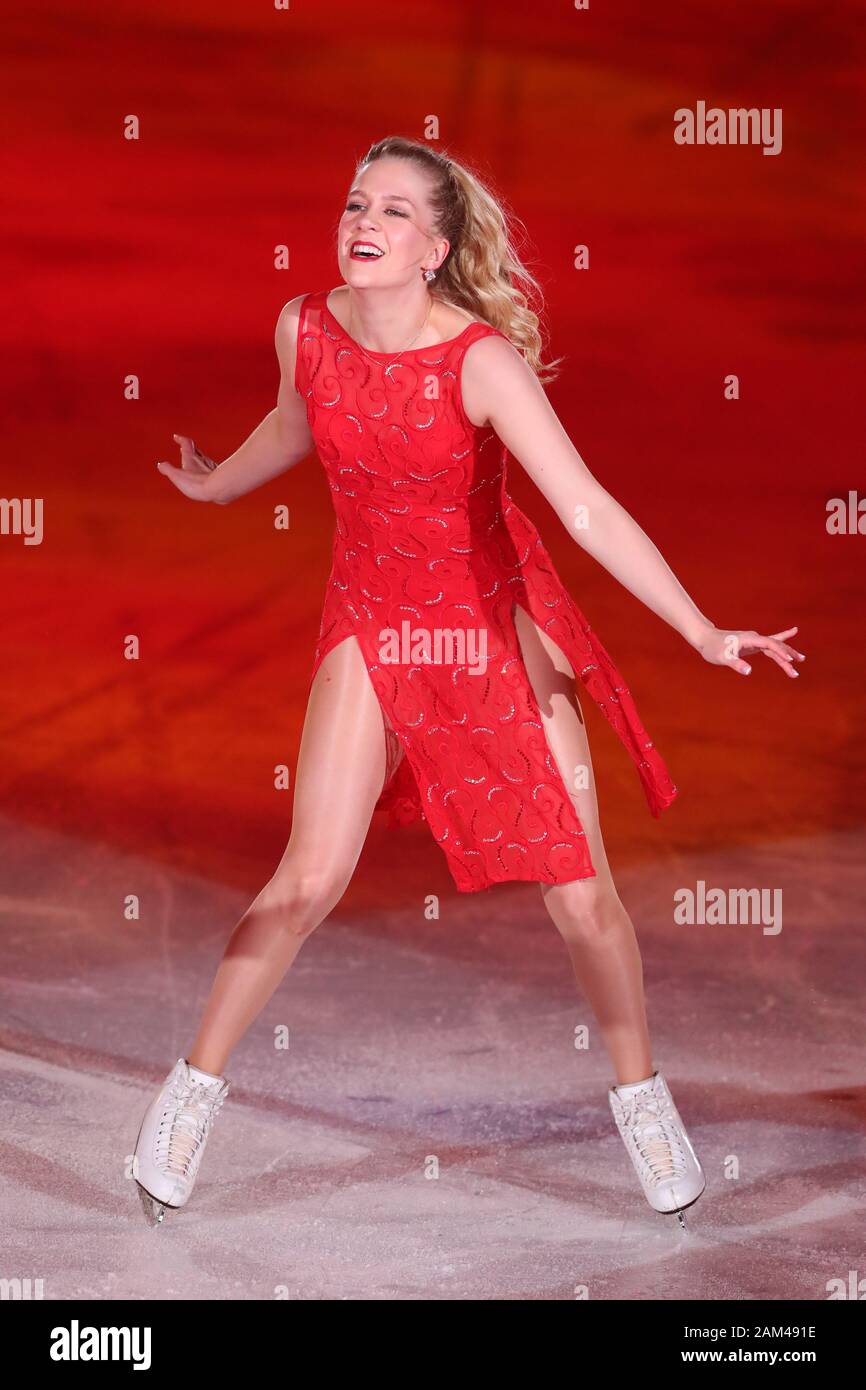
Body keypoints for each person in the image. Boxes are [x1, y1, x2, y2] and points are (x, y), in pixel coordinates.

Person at [132, 136, 804, 1227]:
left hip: (490, 618)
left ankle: (639, 1096)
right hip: (372, 613)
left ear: (434, 248)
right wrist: (217, 487)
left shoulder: (480, 361)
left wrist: (698, 628)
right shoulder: (304, 326)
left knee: (580, 892)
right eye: (358, 201)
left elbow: (581, 507)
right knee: (306, 877)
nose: (367, 221)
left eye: (396, 212)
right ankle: (190, 1092)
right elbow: (295, 423)